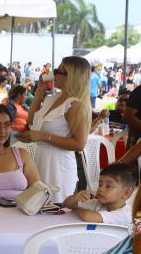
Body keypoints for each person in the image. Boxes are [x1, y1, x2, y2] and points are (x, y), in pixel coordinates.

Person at [16, 56, 92, 204]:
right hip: (42, 159)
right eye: (55, 71)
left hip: (58, 166)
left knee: (54, 208)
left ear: (72, 77)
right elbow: (31, 121)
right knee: (36, 205)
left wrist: (43, 136)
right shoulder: (54, 98)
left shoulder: (75, 105)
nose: (54, 74)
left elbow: (79, 144)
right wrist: (39, 92)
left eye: (59, 71)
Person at [63, 163, 135, 225]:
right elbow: (67, 204)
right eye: (100, 184)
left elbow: (87, 216)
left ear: (126, 193)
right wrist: (75, 198)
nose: (100, 189)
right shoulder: (97, 203)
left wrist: (75, 208)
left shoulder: (126, 214)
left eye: (108, 186)